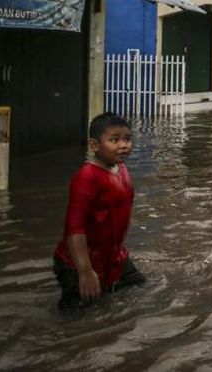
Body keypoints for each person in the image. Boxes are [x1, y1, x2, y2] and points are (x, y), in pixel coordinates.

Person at [52, 112, 146, 310]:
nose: (123, 145)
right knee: (77, 316)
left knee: (140, 289)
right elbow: (74, 229)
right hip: (77, 263)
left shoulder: (121, 169)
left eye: (127, 139)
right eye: (114, 140)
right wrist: (85, 271)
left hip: (113, 257)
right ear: (94, 145)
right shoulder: (86, 178)